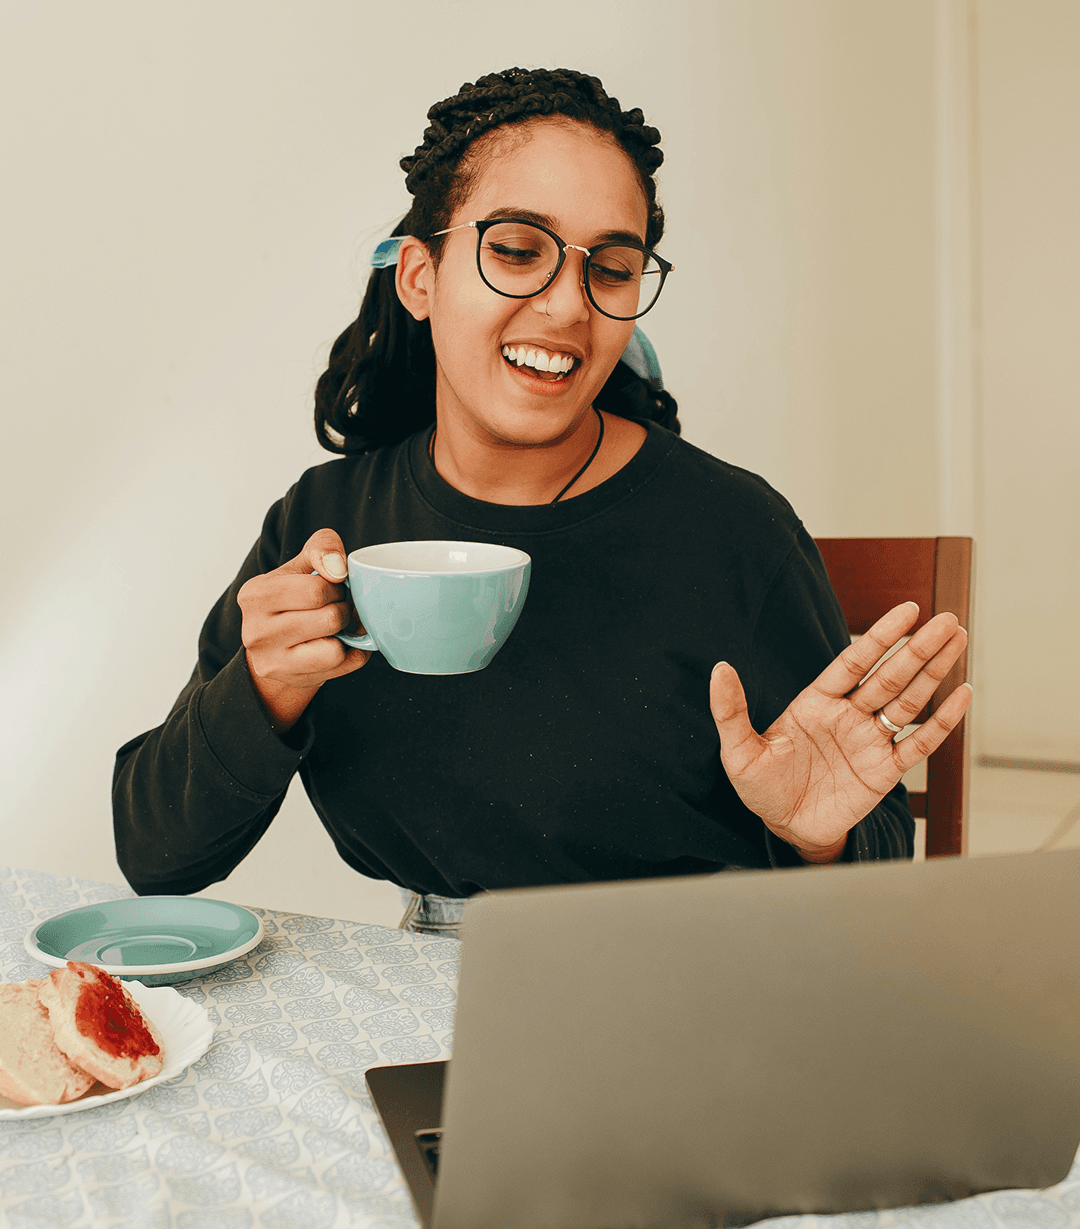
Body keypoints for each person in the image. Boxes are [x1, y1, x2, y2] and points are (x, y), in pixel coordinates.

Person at [113, 67, 971, 933]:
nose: (568, 306)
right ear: (420, 276)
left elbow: (873, 859)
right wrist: (259, 689)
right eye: (519, 249)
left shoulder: (734, 533)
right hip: (424, 982)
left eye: (613, 267)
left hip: (698, 981)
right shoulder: (324, 527)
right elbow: (156, 857)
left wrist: (810, 838)